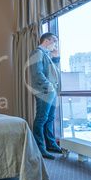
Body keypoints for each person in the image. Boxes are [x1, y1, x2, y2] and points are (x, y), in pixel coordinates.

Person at [29, 32, 62, 160]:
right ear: (46, 41)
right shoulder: (38, 53)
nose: (56, 44)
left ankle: (51, 144)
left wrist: (55, 57)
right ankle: (39, 147)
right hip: (44, 91)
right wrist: (50, 87)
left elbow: (54, 72)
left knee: (50, 118)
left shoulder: (47, 55)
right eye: (54, 41)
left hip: (51, 91)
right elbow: (37, 74)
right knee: (41, 119)